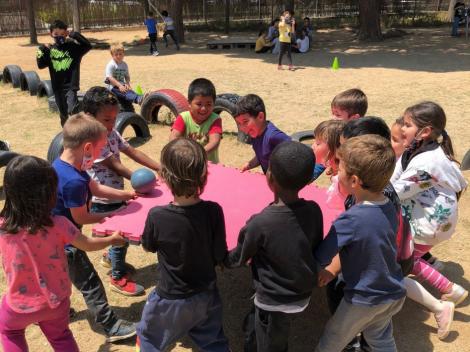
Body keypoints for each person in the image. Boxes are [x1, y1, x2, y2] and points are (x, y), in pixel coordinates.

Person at [324, 117, 455, 345]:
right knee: (381, 333)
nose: (339, 158)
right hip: (390, 282)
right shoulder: (380, 192)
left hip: (371, 285)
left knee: (336, 327)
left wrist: (327, 270)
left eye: (344, 155)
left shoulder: (361, 211)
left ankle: (353, 340)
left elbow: (352, 244)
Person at [0, 156, 127, 352]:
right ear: (49, 194)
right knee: (60, 337)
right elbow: (87, 245)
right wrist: (111, 240)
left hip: (19, 306)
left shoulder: (3, 226)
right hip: (56, 303)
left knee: (10, 332)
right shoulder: (58, 224)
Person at [226, 141, 324, 352]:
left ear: (269, 177)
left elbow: (240, 258)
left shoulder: (260, 222)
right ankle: (254, 328)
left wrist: (219, 257)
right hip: (303, 287)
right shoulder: (314, 210)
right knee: (261, 324)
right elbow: (314, 244)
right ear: (309, 180)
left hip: (277, 298)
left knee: (271, 342)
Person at [136, 138, 229, 351]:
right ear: (203, 176)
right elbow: (219, 252)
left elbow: (148, 245)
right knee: (213, 341)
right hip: (207, 293)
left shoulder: (157, 215)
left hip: (170, 297)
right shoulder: (214, 210)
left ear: (164, 176)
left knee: (149, 337)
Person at [315, 135, 406, 352]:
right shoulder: (389, 208)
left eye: (341, 169)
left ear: (354, 181)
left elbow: (321, 255)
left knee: (333, 338)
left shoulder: (351, 219)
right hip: (392, 292)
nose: (336, 172)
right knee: (380, 338)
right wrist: (334, 269)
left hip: (365, 298)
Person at [52, 113, 138, 342]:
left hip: (54, 239)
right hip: (65, 242)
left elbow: (97, 189)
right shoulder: (73, 181)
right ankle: (110, 326)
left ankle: (54, 312)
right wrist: (115, 215)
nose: (101, 154)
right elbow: (84, 216)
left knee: (55, 278)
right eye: (101, 149)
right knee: (90, 283)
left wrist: (125, 194)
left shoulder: (69, 166)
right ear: (88, 147)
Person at [83, 87, 161, 296]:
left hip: (115, 193)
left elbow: (132, 151)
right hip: (103, 197)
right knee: (120, 237)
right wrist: (139, 181)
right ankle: (117, 277)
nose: (111, 124)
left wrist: (159, 168)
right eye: (107, 119)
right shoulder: (91, 140)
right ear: (90, 117)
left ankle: (110, 258)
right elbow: (115, 165)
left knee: (118, 235)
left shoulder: (112, 132)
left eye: (114, 118)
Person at [391, 101, 468, 305]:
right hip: (431, 217)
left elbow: (397, 192)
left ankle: (450, 290)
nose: (402, 127)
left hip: (431, 223)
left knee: (404, 259)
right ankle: (431, 261)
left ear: (424, 131)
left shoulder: (426, 163)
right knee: (407, 245)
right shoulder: (416, 150)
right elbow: (396, 177)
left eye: (407, 125)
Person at [37, 19, 92, 126]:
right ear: (51, 34)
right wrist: (41, 49)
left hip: (71, 86)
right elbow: (40, 65)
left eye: (62, 34)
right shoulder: (50, 50)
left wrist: (73, 34)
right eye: (56, 34)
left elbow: (87, 45)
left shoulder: (73, 48)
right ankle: (66, 134)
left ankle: (80, 132)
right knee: (63, 114)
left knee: (73, 110)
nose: (59, 36)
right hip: (57, 87)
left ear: (66, 33)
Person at [170, 78, 222, 163]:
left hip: (208, 164)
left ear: (214, 103)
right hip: (186, 161)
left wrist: (197, 155)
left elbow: (215, 142)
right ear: (189, 103)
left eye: (208, 104)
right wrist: (181, 152)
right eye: (199, 104)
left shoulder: (215, 119)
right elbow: (173, 137)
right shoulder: (183, 117)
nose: (203, 108)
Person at [235, 94, 290, 174]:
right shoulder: (255, 133)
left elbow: (294, 152)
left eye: (245, 122)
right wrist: (249, 164)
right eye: (239, 123)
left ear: (260, 117)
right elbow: (262, 156)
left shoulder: (274, 136)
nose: (242, 128)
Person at [311, 120, 347, 210]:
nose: (312, 146)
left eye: (318, 143)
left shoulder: (343, 180)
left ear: (333, 149)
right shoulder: (336, 172)